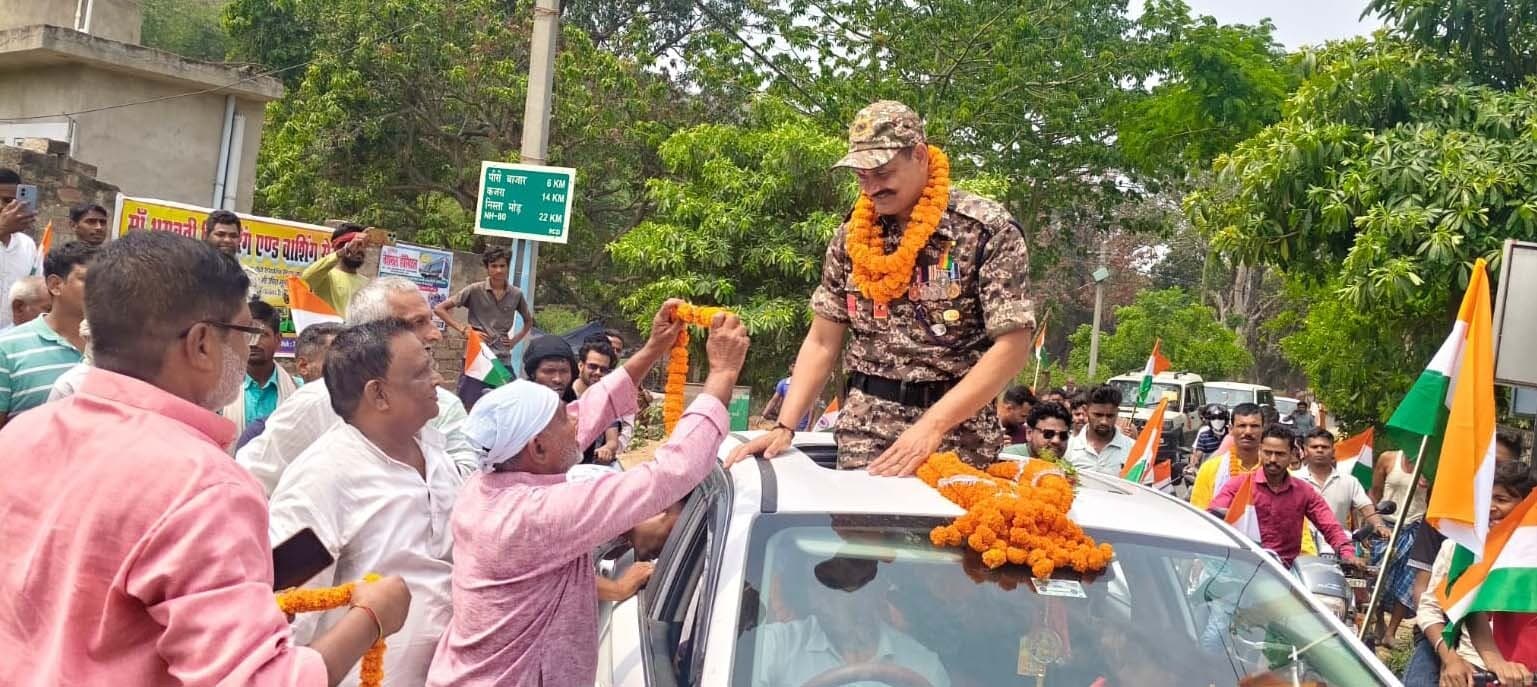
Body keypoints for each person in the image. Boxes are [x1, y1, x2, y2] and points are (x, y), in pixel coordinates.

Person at [0, 230, 411, 685]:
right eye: (244, 331)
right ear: (200, 343)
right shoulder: (203, 486)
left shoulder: (21, 435)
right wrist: (372, 617)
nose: (249, 347)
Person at [426, 302, 748, 687]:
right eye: (564, 418)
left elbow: (588, 409)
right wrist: (724, 373)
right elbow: (669, 473)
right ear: (538, 448)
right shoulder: (538, 514)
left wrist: (653, 348)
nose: (576, 419)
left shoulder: (490, 482)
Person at [726, 100, 1034, 475]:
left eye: (882, 172)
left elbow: (1014, 345)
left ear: (919, 155)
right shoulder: (851, 235)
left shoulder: (984, 230)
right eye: (861, 176)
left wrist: (933, 426)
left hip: (957, 436)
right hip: (865, 431)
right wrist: (785, 425)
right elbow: (824, 339)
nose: (871, 188)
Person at [267, 319, 460, 687]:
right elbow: (289, 609)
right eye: (422, 372)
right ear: (379, 395)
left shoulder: (435, 454)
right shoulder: (323, 479)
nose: (438, 379)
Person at [237, 277, 478, 496]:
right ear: (371, 334)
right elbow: (248, 482)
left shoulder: (441, 405)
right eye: (418, 323)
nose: (435, 334)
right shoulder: (318, 403)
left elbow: (467, 482)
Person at [1407, 460, 1537, 687]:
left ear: (1526, 504)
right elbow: (1430, 609)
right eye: (1487, 499)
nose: (1491, 507)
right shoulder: (1462, 548)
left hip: (1524, 672)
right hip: (1470, 666)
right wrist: (1451, 659)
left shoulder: (1530, 555)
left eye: (1502, 499)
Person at [745, 555, 951, 687]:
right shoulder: (774, 646)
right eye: (815, 586)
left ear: (872, 589)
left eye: (836, 585)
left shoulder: (923, 665)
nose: (822, 597)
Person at [1209, 424, 1358, 569]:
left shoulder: (1304, 491)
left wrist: (1348, 554)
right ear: (1260, 451)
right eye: (1268, 452)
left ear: (1293, 454)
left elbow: (1330, 526)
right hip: (1242, 569)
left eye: (1280, 454)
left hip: (1285, 575)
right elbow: (1211, 518)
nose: (1272, 459)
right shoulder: (1238, 486)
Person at [0, 240, 94, 425]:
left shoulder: (118, 348)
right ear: (55, 285)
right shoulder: (7, 349)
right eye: (88, 280)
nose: (100, 288)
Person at [236, 322, 343, 450]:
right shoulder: (263, 434)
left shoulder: (361, 428)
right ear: (303, 366)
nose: (350, 371)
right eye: (339, 362)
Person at [434, 245, 533, 368]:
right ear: (487, 268)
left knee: (507, 387)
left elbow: (528, 321)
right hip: (476, 354)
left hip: (502, 357)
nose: (499, 270)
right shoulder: (475, 289)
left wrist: (514, 341)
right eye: (494, 266)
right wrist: (464, 330)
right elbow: (439, 309)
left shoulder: (516, 294)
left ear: (508, 267)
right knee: (470, 387)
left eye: (502, 266)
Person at [1295, 429, 1392, 551]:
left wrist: (1379, 525)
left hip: (1341, 550)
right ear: (1305, 450)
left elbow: (1366, 507)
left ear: (1333, 451)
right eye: (1314, 447)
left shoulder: (1349, 481)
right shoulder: (1293, 479)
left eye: (1325, 447)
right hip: (1302, 550)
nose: (1320, 450)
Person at [1373, 446, 1431, 644]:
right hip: (1385, 528)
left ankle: (1391, 632)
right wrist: (1373, 523)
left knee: (1407, 582)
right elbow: (1375, 491)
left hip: (1414, 528)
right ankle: (1378, 619)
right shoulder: (1388, 458)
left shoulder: (1431, 465)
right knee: (1380, 577)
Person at [220, 300, 297, 445]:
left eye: (262, 334)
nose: (254, 343)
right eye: (248, 335)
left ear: (278, 339)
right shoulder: (220, 392)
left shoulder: (297, 390)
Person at [1190, 403, 1265, 509]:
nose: (1248, 432)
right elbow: (1200, 516)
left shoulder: (1276, 471)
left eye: (1254, 426)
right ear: (1231, 429)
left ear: (1263, 429)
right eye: (1242, 426)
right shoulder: (1210, 469)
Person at [301, 223, 371, 316]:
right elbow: (306, 277)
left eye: (363, 246)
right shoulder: (326, 277)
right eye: (356, 245)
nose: (360, 250)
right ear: (340, 246)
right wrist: (343, 251)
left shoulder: (368, 284)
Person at [0, 168, 40, 330]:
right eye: (5, 200)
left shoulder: (27, 245)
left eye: (14, 201)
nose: (10, 208)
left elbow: (35, 291)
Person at [1063, 385, 1134, 475]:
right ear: (1086, 410)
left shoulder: (1133, 449)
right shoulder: (1068, 447)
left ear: (1117, 412)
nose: (1104, 422)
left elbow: (1145, 487)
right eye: (1098, 415)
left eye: (1110, 416)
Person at [573, 337, 622, 466]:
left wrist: (607, 449)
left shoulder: (607, 401)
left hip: (590, 468)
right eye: (593, 367)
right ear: (581, 366)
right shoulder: (565, 395)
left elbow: (612, 441)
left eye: (603, 369)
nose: (598, 373)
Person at [1000, 401, 1072, 460]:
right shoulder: (1008, 458)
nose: (1056, 440)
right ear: (1029, 433)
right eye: (1048, 434)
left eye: (1063, 435)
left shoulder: (1065, 468)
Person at [523, 333, 578, 401]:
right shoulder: (519, 404)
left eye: (564, 371)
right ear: (533, 374)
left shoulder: (575, 405)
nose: (558, 379)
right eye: (549, 371)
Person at [763, 361, 814, 431]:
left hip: (802, 426)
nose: (795, 368)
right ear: (790, 368)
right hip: (785, 424)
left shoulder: (807, 384)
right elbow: (774, 401)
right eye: (793, 366)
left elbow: (811, 406)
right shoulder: (783, 383)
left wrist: (809, 425)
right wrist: (764, 415)